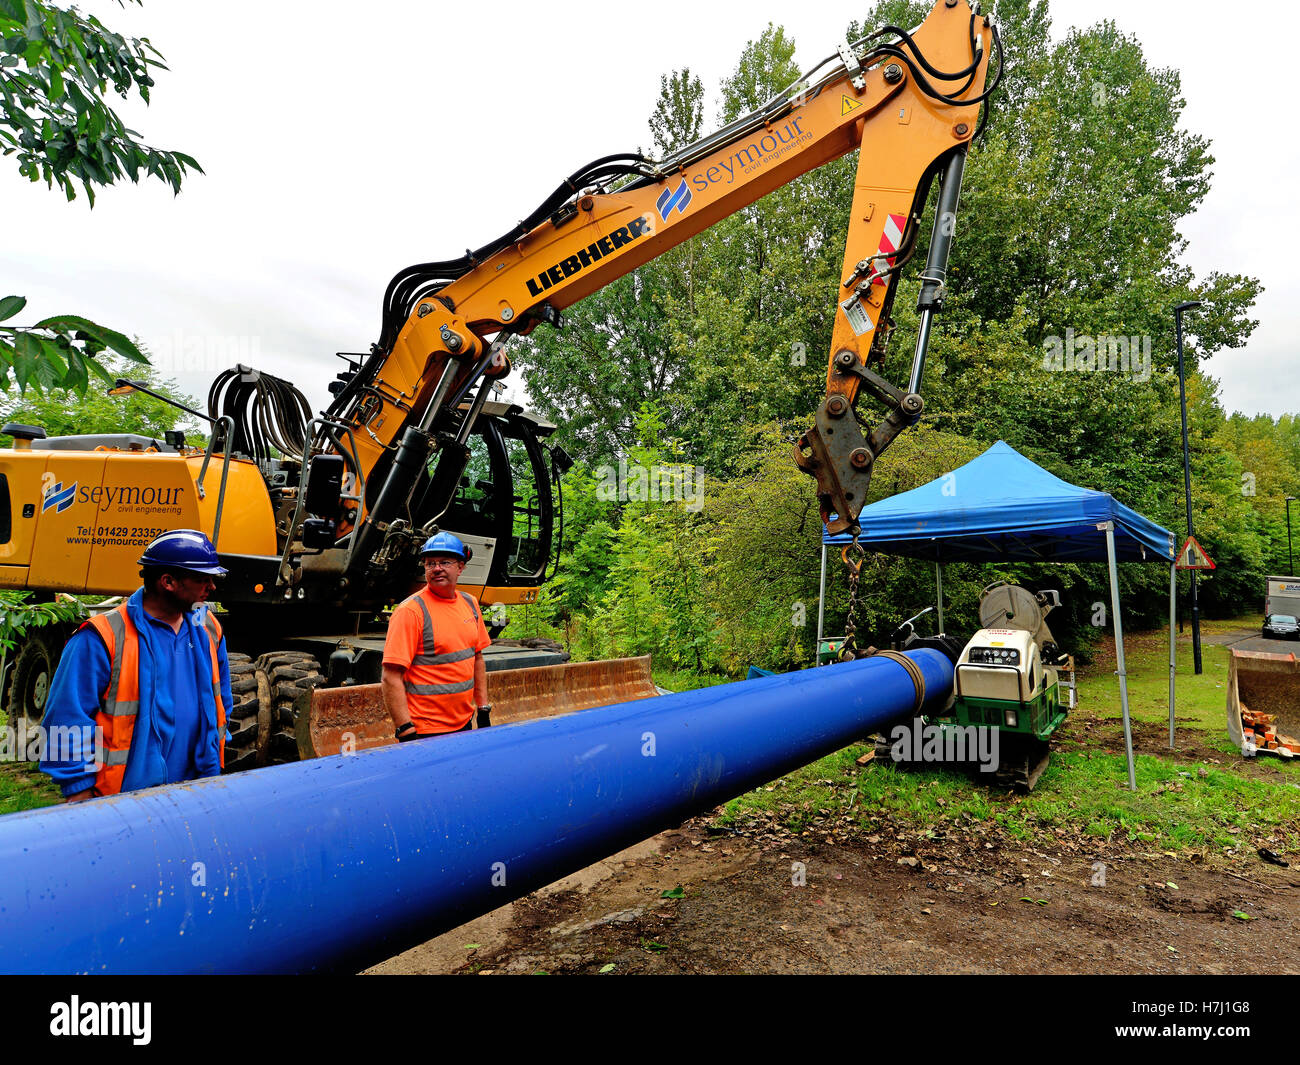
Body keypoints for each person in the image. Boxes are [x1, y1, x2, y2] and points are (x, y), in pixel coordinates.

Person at [39, 529, 234, 801]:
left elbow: (221, 702)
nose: (212, 586)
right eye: (203, 578)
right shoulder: (102, 636)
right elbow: (66, 718)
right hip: (121, 801)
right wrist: (78, 790)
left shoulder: (208, 628)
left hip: (197, 792)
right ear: (168, 581)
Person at [382, 532, 492, 741]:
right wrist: (405, 729)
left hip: (464, 723)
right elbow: (390, 676)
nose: (437, 568)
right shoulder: (411, 611)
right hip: (426, 731)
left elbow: (476, 658)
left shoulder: (470, 603)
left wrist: (483, 708)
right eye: (430, 563)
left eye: (445, 562)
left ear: (461, 566)